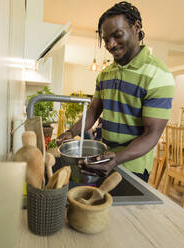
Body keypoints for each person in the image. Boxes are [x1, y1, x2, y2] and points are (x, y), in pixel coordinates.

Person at [57, 1, 175, 183]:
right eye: (105, 40)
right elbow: (93, 111)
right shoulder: (106, 73)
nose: (111, 44)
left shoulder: (158, 75)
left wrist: (117, 159)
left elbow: (152, 134)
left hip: (132, 166)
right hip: (104, 158)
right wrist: (71, 132)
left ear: (136, 27)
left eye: (118, 35)